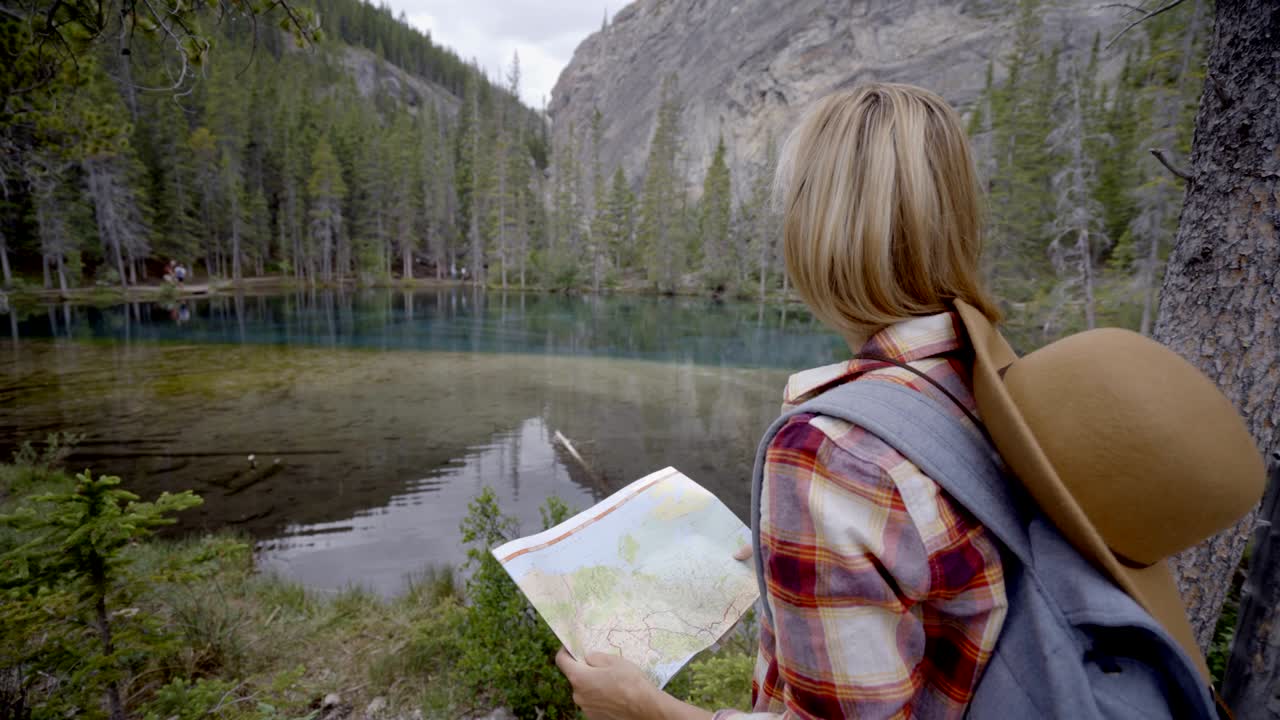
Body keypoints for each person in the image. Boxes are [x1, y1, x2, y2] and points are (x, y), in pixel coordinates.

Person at [555, 83, 1263, 719]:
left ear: (815, 229)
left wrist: (646, 709)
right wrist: (804, 558)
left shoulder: (831, 454)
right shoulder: (1001, 387)